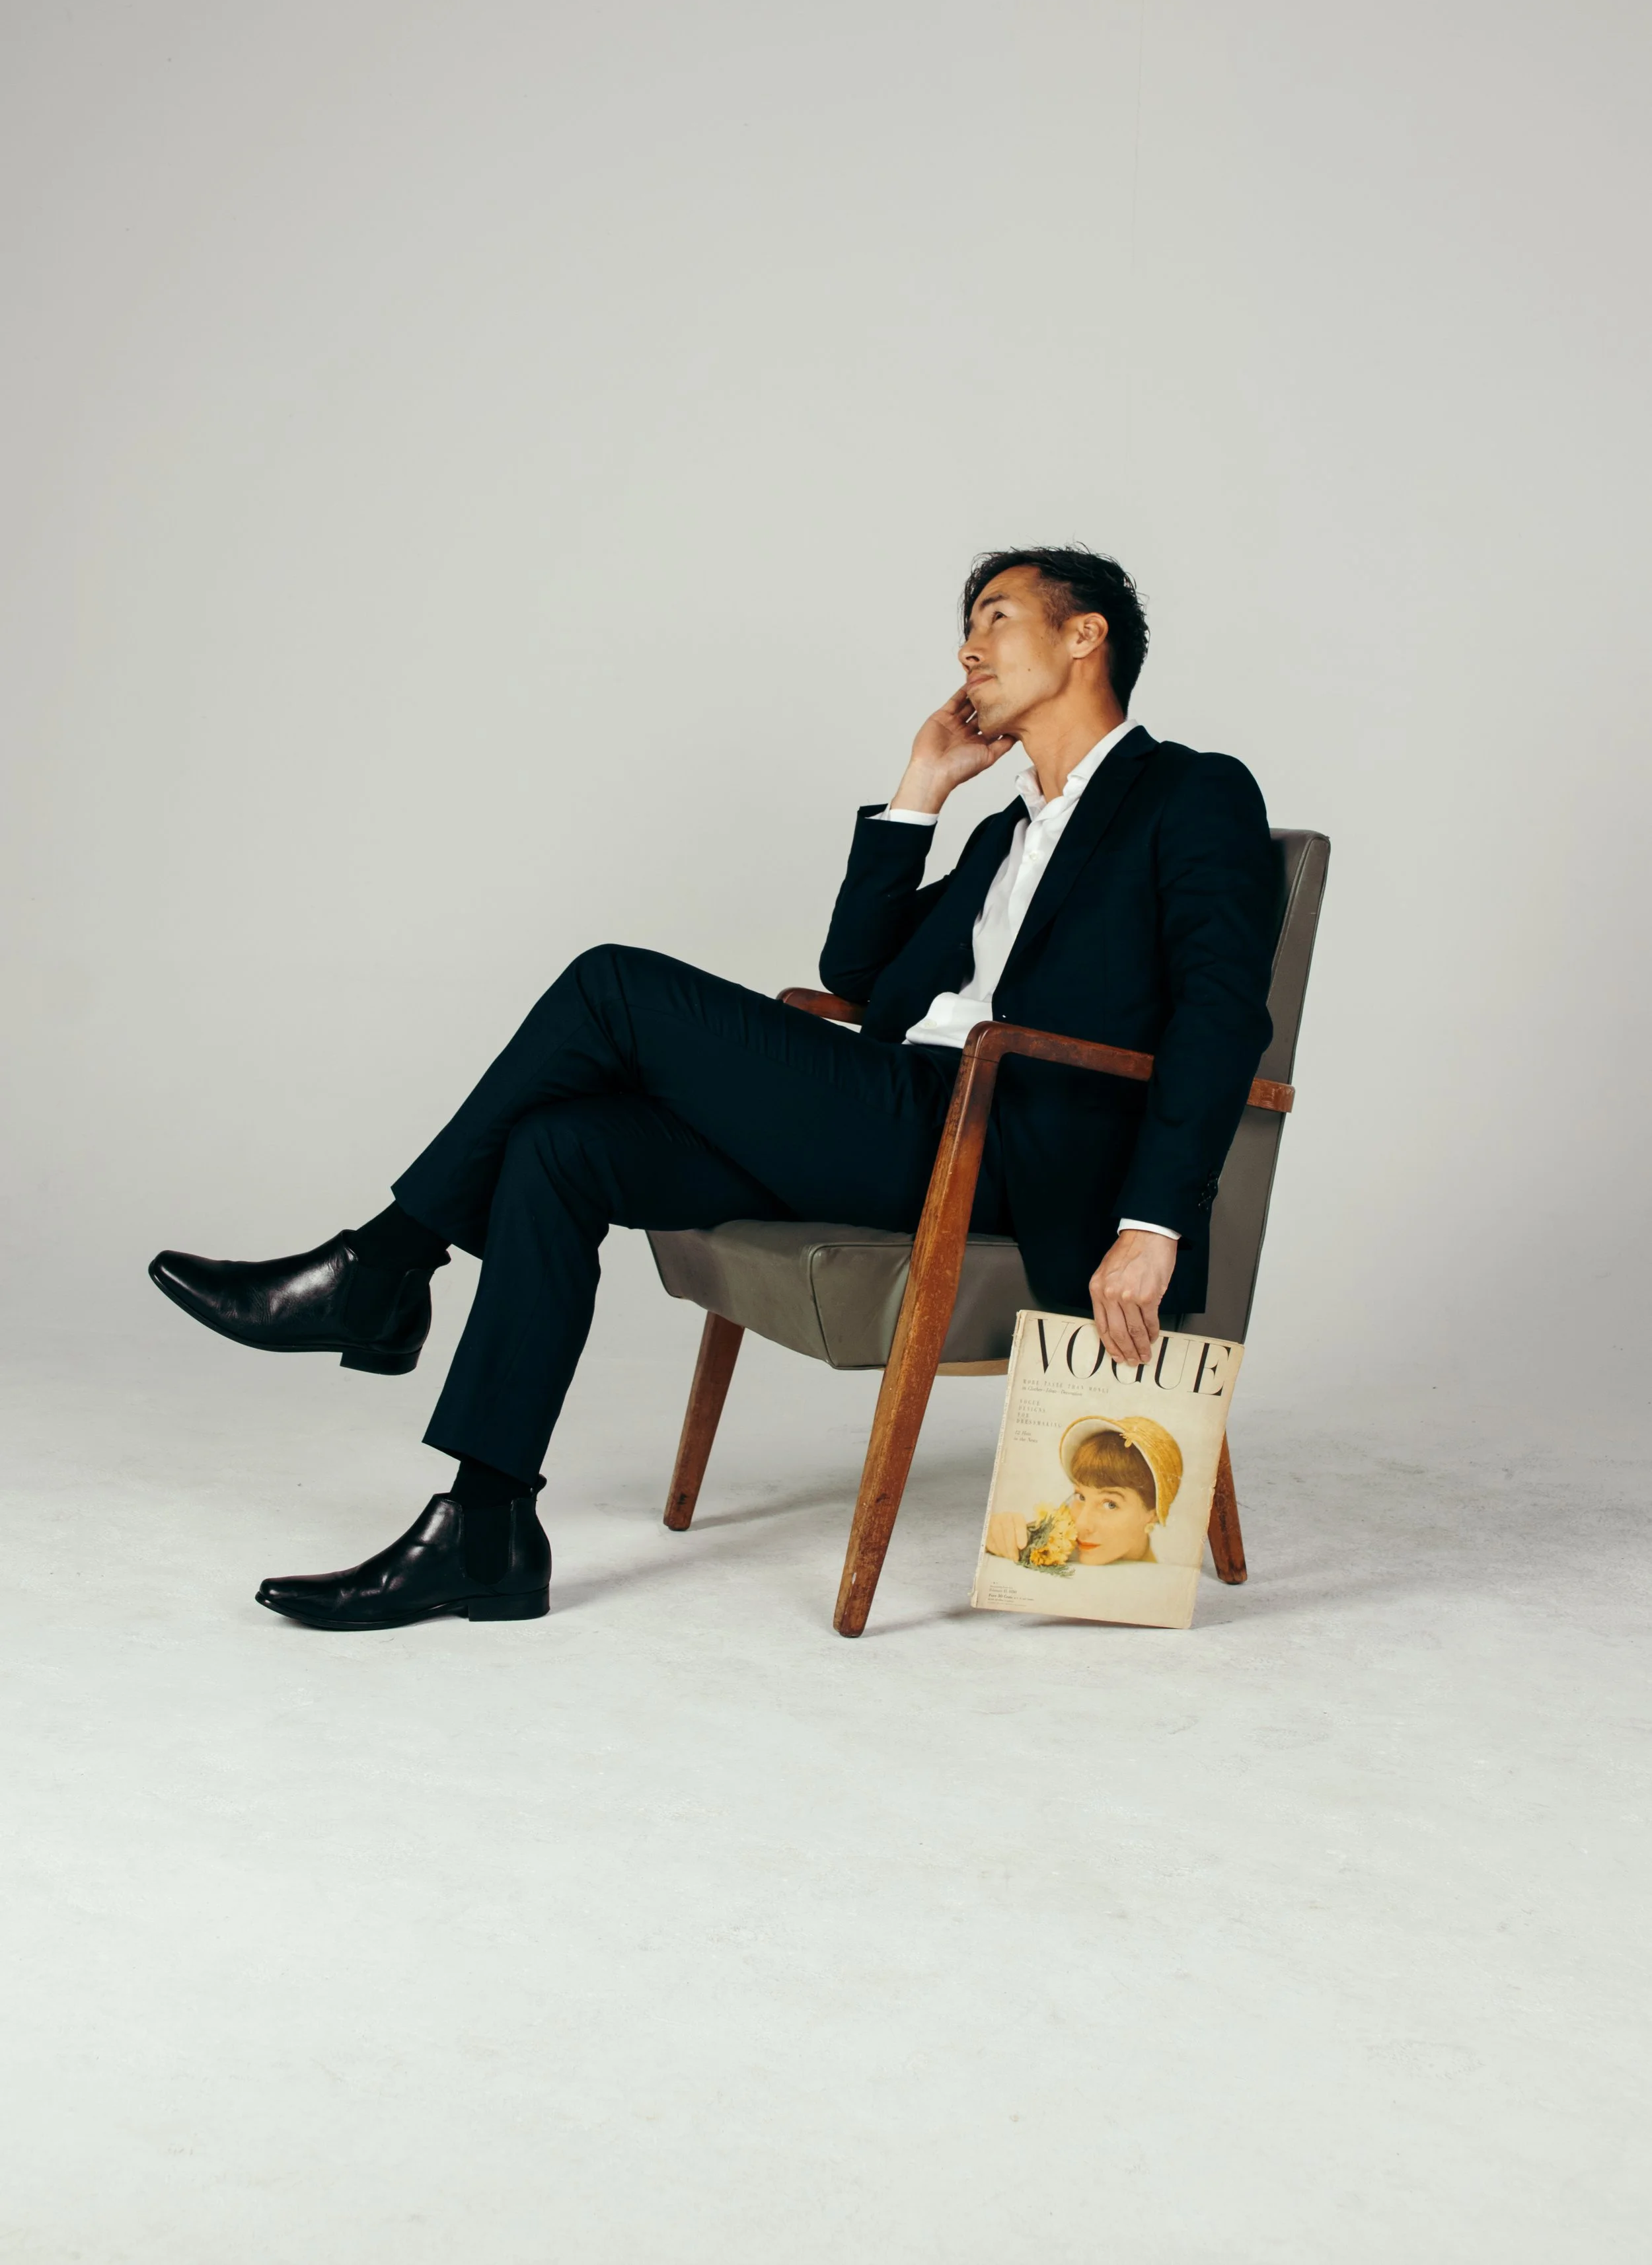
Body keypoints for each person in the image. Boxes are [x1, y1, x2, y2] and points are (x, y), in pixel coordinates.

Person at [149, 548, 1279, 1631]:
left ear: (1086, 637)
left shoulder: (1189, 795)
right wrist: (921, 789)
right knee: (561, 1144)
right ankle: (483, 1531)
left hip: (993, 1141)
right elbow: (861, 981)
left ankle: (384, 1265)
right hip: (894, 1107)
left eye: (996, 619)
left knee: (612, 989)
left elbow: (1224, 1019)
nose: (968, 651)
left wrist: (1154, 1222)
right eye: (966, 627)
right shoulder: (1004, 834)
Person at [983, 1415, 1183, 1569]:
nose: (1081, 1524)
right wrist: (1000, 1536)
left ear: (1153, 1513)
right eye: (1081, 1497)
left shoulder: (1167, 1580)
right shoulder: (1060, 1553)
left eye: (1110, 1504)